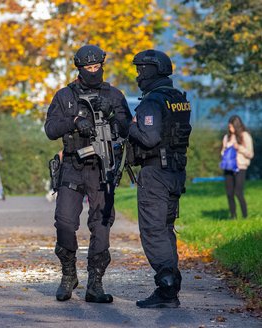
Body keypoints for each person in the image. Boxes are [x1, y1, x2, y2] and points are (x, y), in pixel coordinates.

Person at [44, 45, 131, 303]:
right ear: (79, 69)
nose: (94, 72)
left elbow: (127, 128)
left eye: (97, 67)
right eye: (89, 68)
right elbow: (50, 129)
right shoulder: (65, 96)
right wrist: (73, 122)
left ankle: (95, 282)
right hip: (72, 165)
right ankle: (69, 274)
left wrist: (113, 114)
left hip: (101, 169)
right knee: (65, 222)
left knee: (101, 224)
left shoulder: (114, 95)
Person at [128, 49, 192, 308]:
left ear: (150, 70)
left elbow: (149, 137)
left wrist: (130, 125)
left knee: (154, 231)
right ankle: (170, 291)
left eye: (139, 69)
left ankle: (166, 286)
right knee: (166, 229)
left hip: (155, 173)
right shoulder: (178, 98)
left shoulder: (153, 101)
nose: (137, 75)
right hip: (175, 172)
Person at [221, 115, 254, 219]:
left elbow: (250, 154)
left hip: (240, 167)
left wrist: (238, 147)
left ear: (236, 125)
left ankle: (245, 216)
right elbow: (222, 151)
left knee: (238, 192)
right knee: (229, 193)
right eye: (229, 126)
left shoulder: (245, 136)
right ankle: (233, 216)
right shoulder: (227, 137)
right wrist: (225, 152)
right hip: (228, 168)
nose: (229, 128)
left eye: (231, 126)